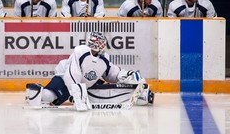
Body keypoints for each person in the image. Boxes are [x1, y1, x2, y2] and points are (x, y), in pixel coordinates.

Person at [25, 32, 154, 110]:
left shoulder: (104, 58)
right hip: (64, 79)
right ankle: (35, 92)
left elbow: (111, 73)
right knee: (49, 97)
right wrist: (75, 92)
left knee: (107, 93)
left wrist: (124, 75)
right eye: (102, 43)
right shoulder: (81, 51)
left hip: (86, 85)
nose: (104, 46)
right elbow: (72, 74)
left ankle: (141, 95)